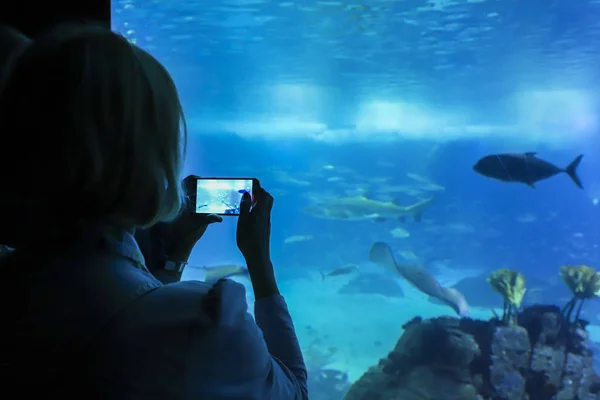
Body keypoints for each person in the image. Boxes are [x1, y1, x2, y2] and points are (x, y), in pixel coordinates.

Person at [0, 24, 308, 399]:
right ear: (149, 158)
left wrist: (175, 256)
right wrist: (259, 262)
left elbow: (124, 313)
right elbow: (294, 391)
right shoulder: (201, 323)